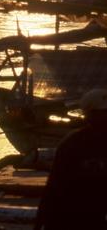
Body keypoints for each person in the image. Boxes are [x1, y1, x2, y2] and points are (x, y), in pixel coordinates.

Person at [35, 88, 107, 229]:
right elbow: (54, 187)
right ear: (89, 115)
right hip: (68, 218)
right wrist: (39, 223)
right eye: (103, 113)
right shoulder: (73, 144)